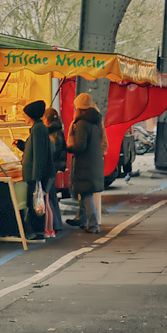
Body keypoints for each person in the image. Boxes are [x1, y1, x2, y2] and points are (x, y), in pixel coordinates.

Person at [66, 92, 105, 233]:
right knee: (84, 193)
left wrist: (66, 148)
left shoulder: (82, 124)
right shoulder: (95, 122)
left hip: (85, 164)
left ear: (80, 108)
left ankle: (93, 225)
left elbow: (79, 146)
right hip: (92, 163)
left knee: (86, 194)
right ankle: (81, 218)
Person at [20, 99, 55, 241]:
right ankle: (37, 230)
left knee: (34, 203)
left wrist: (37, 177)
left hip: (35, 175)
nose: (24, 117)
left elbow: (39, 155)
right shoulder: (38, 129)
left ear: (31, 115)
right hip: (35, 174)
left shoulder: (38, 130)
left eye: (25, 115)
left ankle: (37, 230)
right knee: (35, 202)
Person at [44, 107, 67, 233]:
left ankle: (54, 225)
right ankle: (57, 223)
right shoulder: (58, 131)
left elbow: (51, 152)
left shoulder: (52, 133)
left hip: (51, 167)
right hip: (56, 166)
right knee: (52, 197)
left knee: (49, 197)